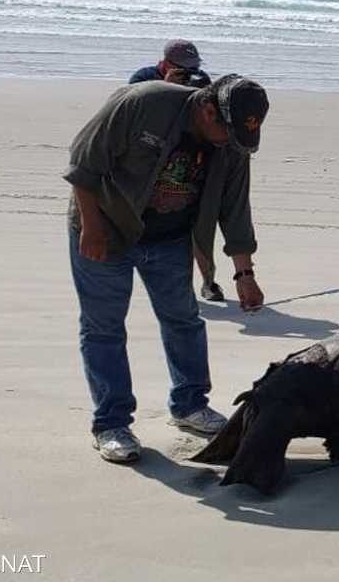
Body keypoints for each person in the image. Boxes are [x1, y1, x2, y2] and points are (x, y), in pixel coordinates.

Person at [64, 74, 269, 463]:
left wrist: (245, 275)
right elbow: (83, 163)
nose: (230, 144)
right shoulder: (143, 103)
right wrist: (90, 228)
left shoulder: (233, 143)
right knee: (103, 328)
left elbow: (235, 209)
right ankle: (111, 423)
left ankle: (189, 405)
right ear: (208, 110)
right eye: (226, 133)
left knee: (183, 320)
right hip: (106, 228)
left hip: (171, 239)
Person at [161, 67, 226, 303]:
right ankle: (180, 286)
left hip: (201, 183)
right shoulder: (160, 100)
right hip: (170, 183)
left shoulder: (215, 114)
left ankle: (208, 282)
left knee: (202, 236)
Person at [129, 39, 210, 87]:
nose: (189, 71)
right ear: (167, 63)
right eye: (183, 68)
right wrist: (166, 86)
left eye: (194, 67)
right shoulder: (144, 77)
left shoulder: (200, 78)